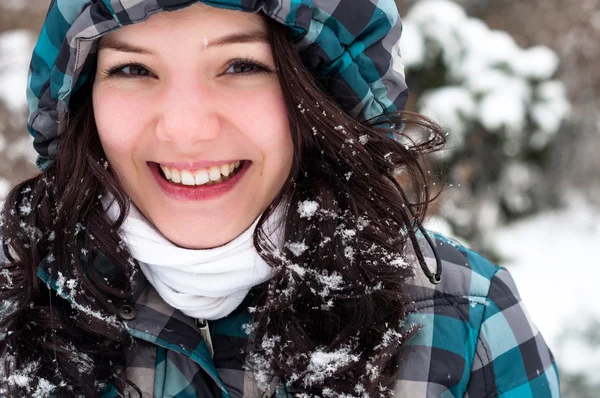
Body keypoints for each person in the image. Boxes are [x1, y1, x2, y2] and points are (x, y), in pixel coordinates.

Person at [0, 1, 559, 397]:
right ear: (80, 104)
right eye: (132, 68)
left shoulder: (468, 323)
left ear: (319, 94)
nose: (186, 130)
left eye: (242, 65)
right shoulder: (13, 312)